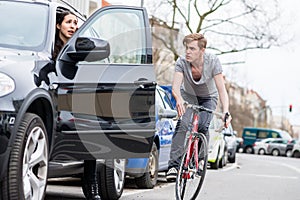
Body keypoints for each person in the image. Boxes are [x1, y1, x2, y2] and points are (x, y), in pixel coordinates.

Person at [166, 33, 232, 182]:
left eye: (192, 49)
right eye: (186, 48)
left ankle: (201, 158)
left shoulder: (213, 62)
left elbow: (222, 90)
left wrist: (226, 111)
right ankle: (173, 167)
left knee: (203, 125)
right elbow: (175, 87)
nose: (187, 52)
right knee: (182, 125)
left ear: (202, 51)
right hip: (188, 96)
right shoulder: (182, 62)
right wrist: (179, 100)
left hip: (208, 97)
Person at [54, 11, 101, 200]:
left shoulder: (79, 50)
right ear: (58, 25)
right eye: (68, 22)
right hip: (55, 100)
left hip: (77, 101)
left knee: (92, 131)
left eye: (76, 23)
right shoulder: (50, 49)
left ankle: (90, 182)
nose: (73, 26)